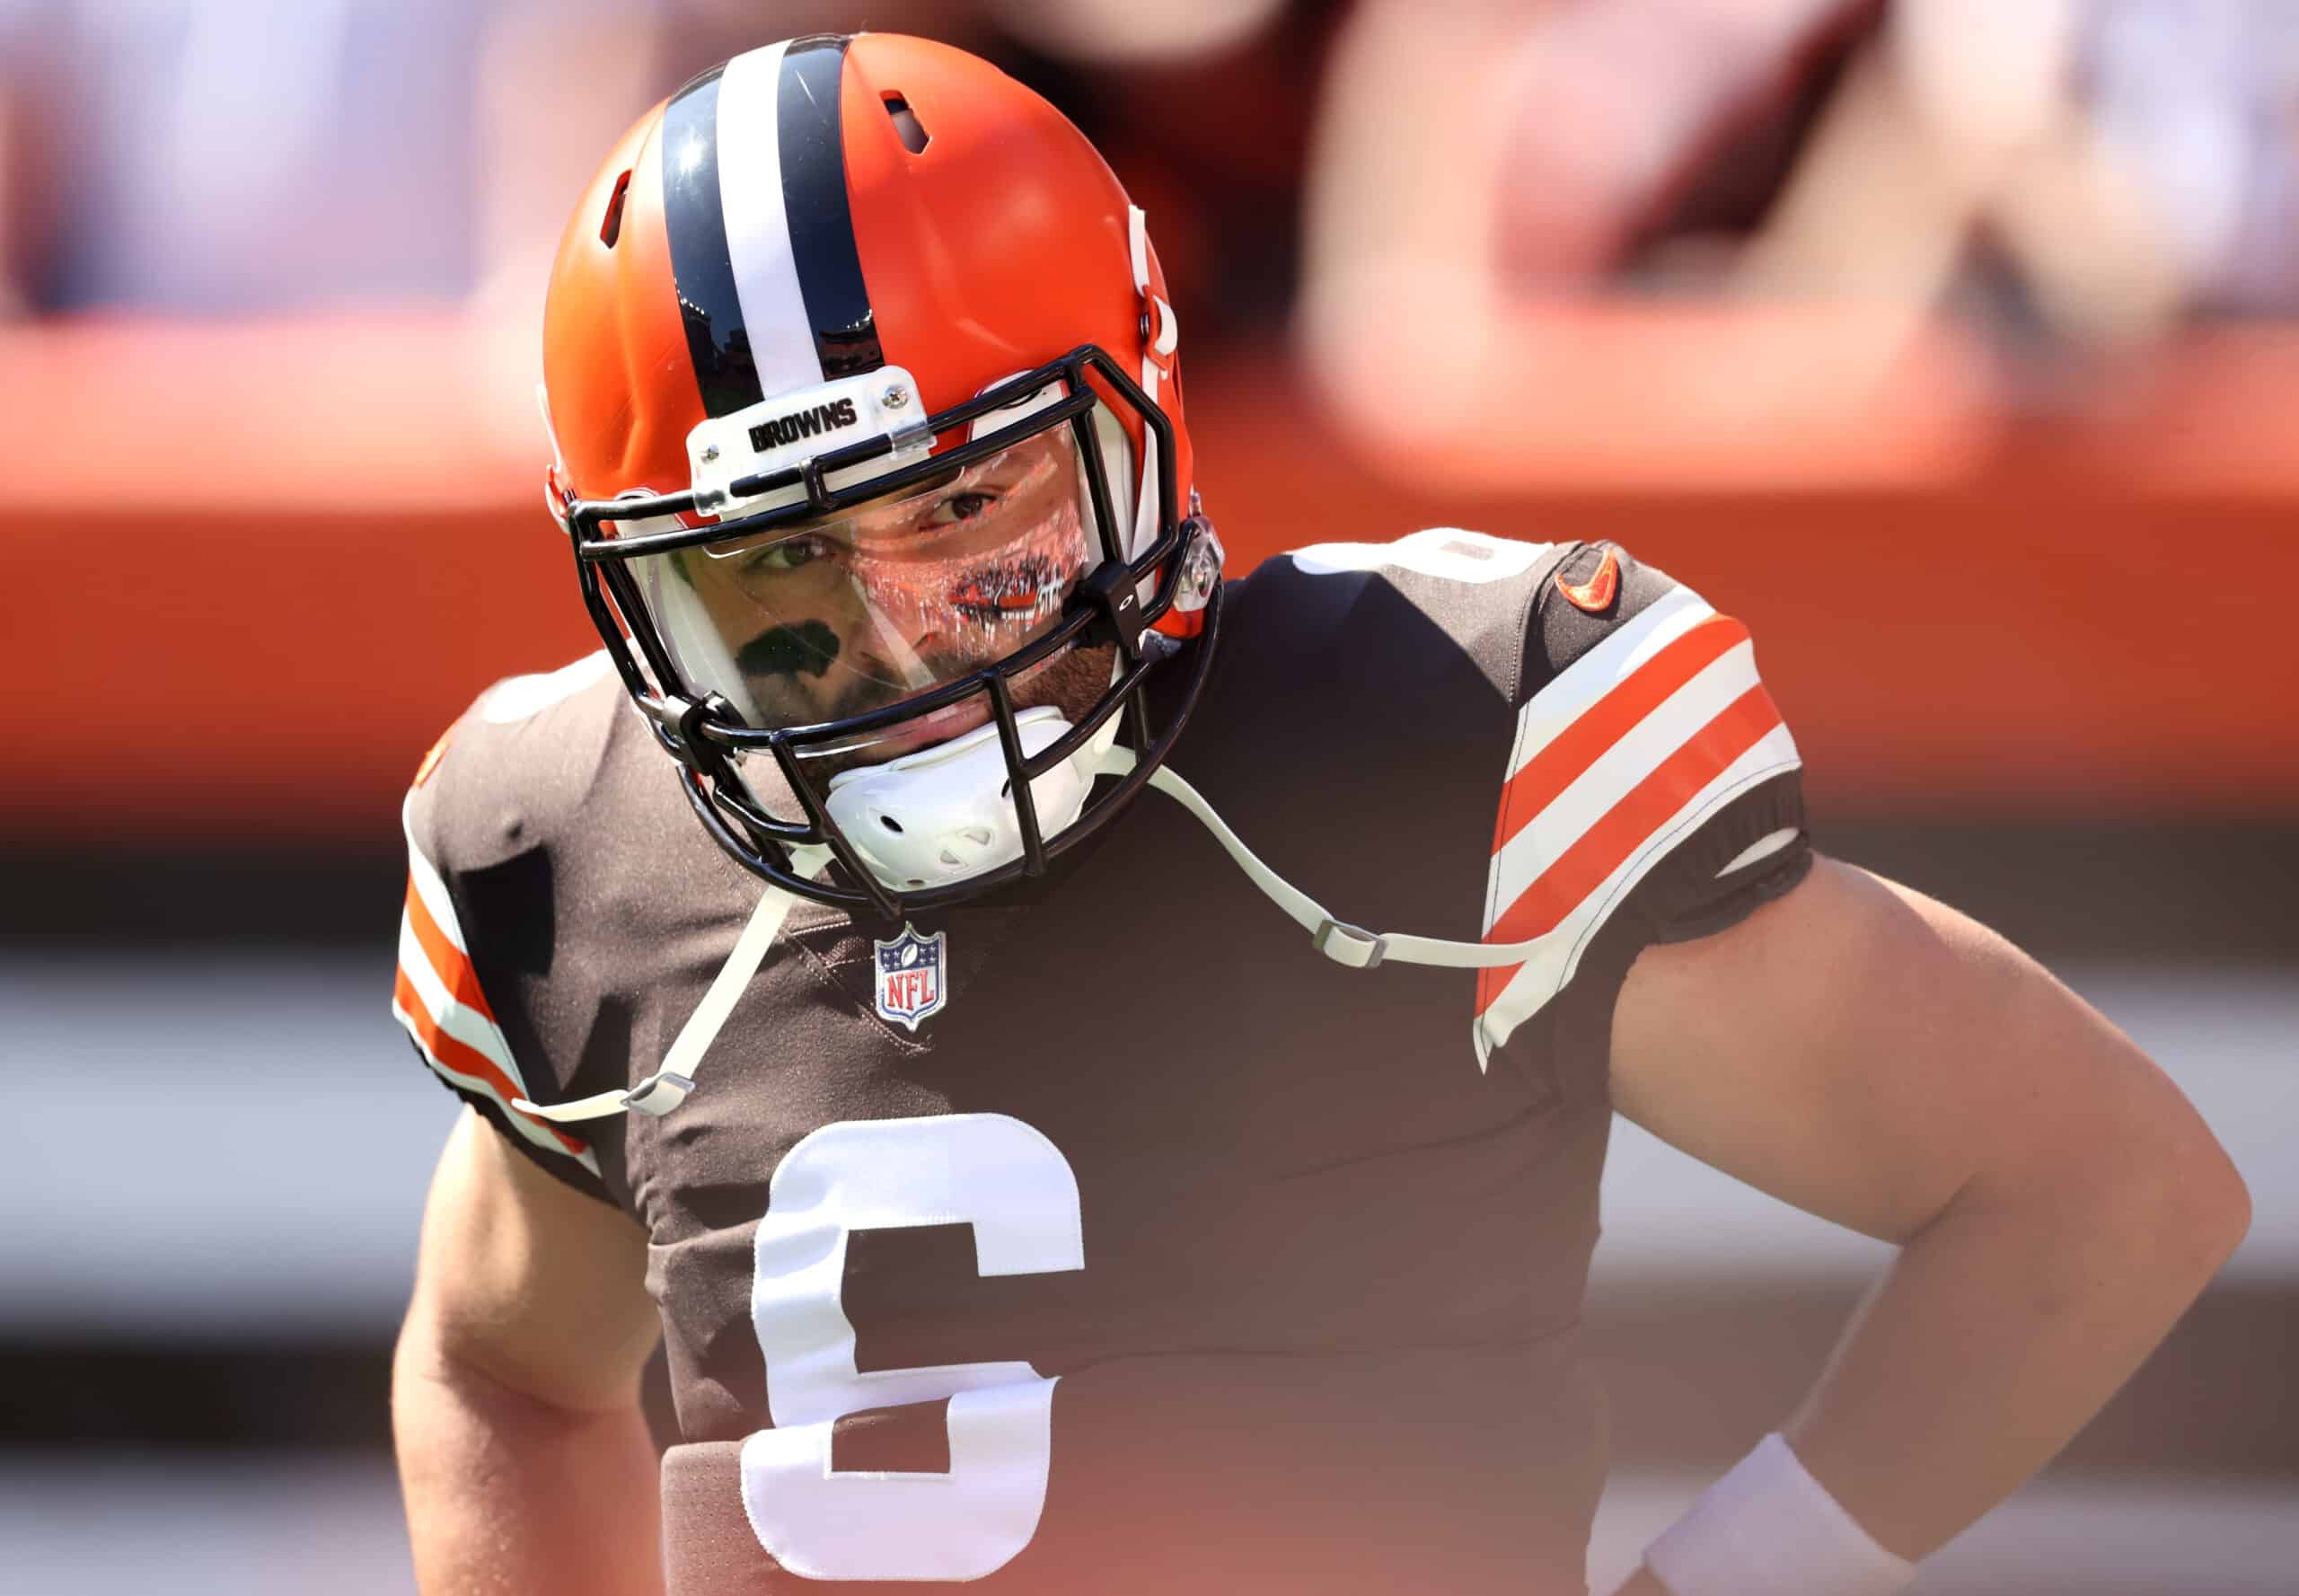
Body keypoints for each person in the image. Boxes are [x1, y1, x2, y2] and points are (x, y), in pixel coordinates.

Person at [389, 32, 2249, 1596]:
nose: (895, 644)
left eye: (964, 511)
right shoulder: (592, 854)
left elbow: (2093, 1185)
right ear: (642, 595)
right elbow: (499, 1364)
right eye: (777, 570)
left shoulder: (1427, 746)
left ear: (1137, 415)